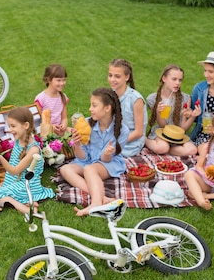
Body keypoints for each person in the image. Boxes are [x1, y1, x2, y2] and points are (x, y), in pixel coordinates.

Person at [59, 88, 129, 217]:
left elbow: (106, 160)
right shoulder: (86, 124)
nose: (90, 109)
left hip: (108, 163)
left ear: (107, 108)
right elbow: (82, 157)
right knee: (65, 169)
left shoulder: (122, 131)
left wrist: (107, 153)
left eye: (94, 105)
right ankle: (102, 197)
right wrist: (77, 144)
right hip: (89, 161)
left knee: (89, 170)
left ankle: (96, 203)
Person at [0, 107, 55, 214]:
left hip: (29, 185)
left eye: (13, 126)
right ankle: (28, 202)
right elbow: (14, 164)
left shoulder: (33, 150)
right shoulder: (18, 141)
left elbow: (15, 170)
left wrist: (0, 158)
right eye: (9, 126)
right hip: (18, 180)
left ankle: (25, 208)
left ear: (26, 125)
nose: (10, 129)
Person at [145, 64, 199, 155]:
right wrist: (158, 112)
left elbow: (183, 128)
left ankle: (169, 150)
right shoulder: (153, 98)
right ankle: (144, 139)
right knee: (162, 147)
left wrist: (193, 116)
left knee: (192, 150)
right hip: (161, 132)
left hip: (177, 135)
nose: (177, 83)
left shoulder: (185, 99)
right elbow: (162, 125)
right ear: (164, 78)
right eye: (174, 79)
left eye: (180, 80)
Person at [108, 59, 147, 158]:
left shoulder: (135, 99)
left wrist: (116, 142)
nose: (112, 79)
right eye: (110, 75)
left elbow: (138, 132)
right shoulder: (109, 95)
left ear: (127, 77)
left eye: (117, 76)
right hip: (114, 137)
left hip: (130, 143)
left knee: (105, 154)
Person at [35, 64, 69, 135]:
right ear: (49, 80)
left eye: (64, 80)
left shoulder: (63, 97)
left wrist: (64, 125)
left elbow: (64, 118)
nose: (62, 83)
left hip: (60, 132)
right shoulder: (41, 98)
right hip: (45, 134)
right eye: (58, 80)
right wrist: (51, 127)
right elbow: (37, 121)